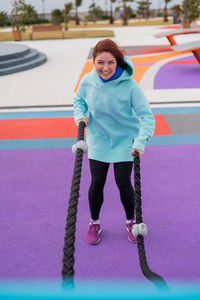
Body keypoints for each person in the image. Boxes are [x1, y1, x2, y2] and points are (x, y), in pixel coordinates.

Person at [73, 39, 155, 245]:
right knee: (96, 183)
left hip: (125, 141)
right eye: (100, 62)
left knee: (123, 182)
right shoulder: (87, 81)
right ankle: (95, 223)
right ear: (93, 61)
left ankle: (131, 221)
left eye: (110, 62)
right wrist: (80, 116)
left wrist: (140, 143)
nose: (105, 68)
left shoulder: (130, 86)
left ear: (118, 61)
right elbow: (79, 100)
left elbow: (147, 116)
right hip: (99, 140)